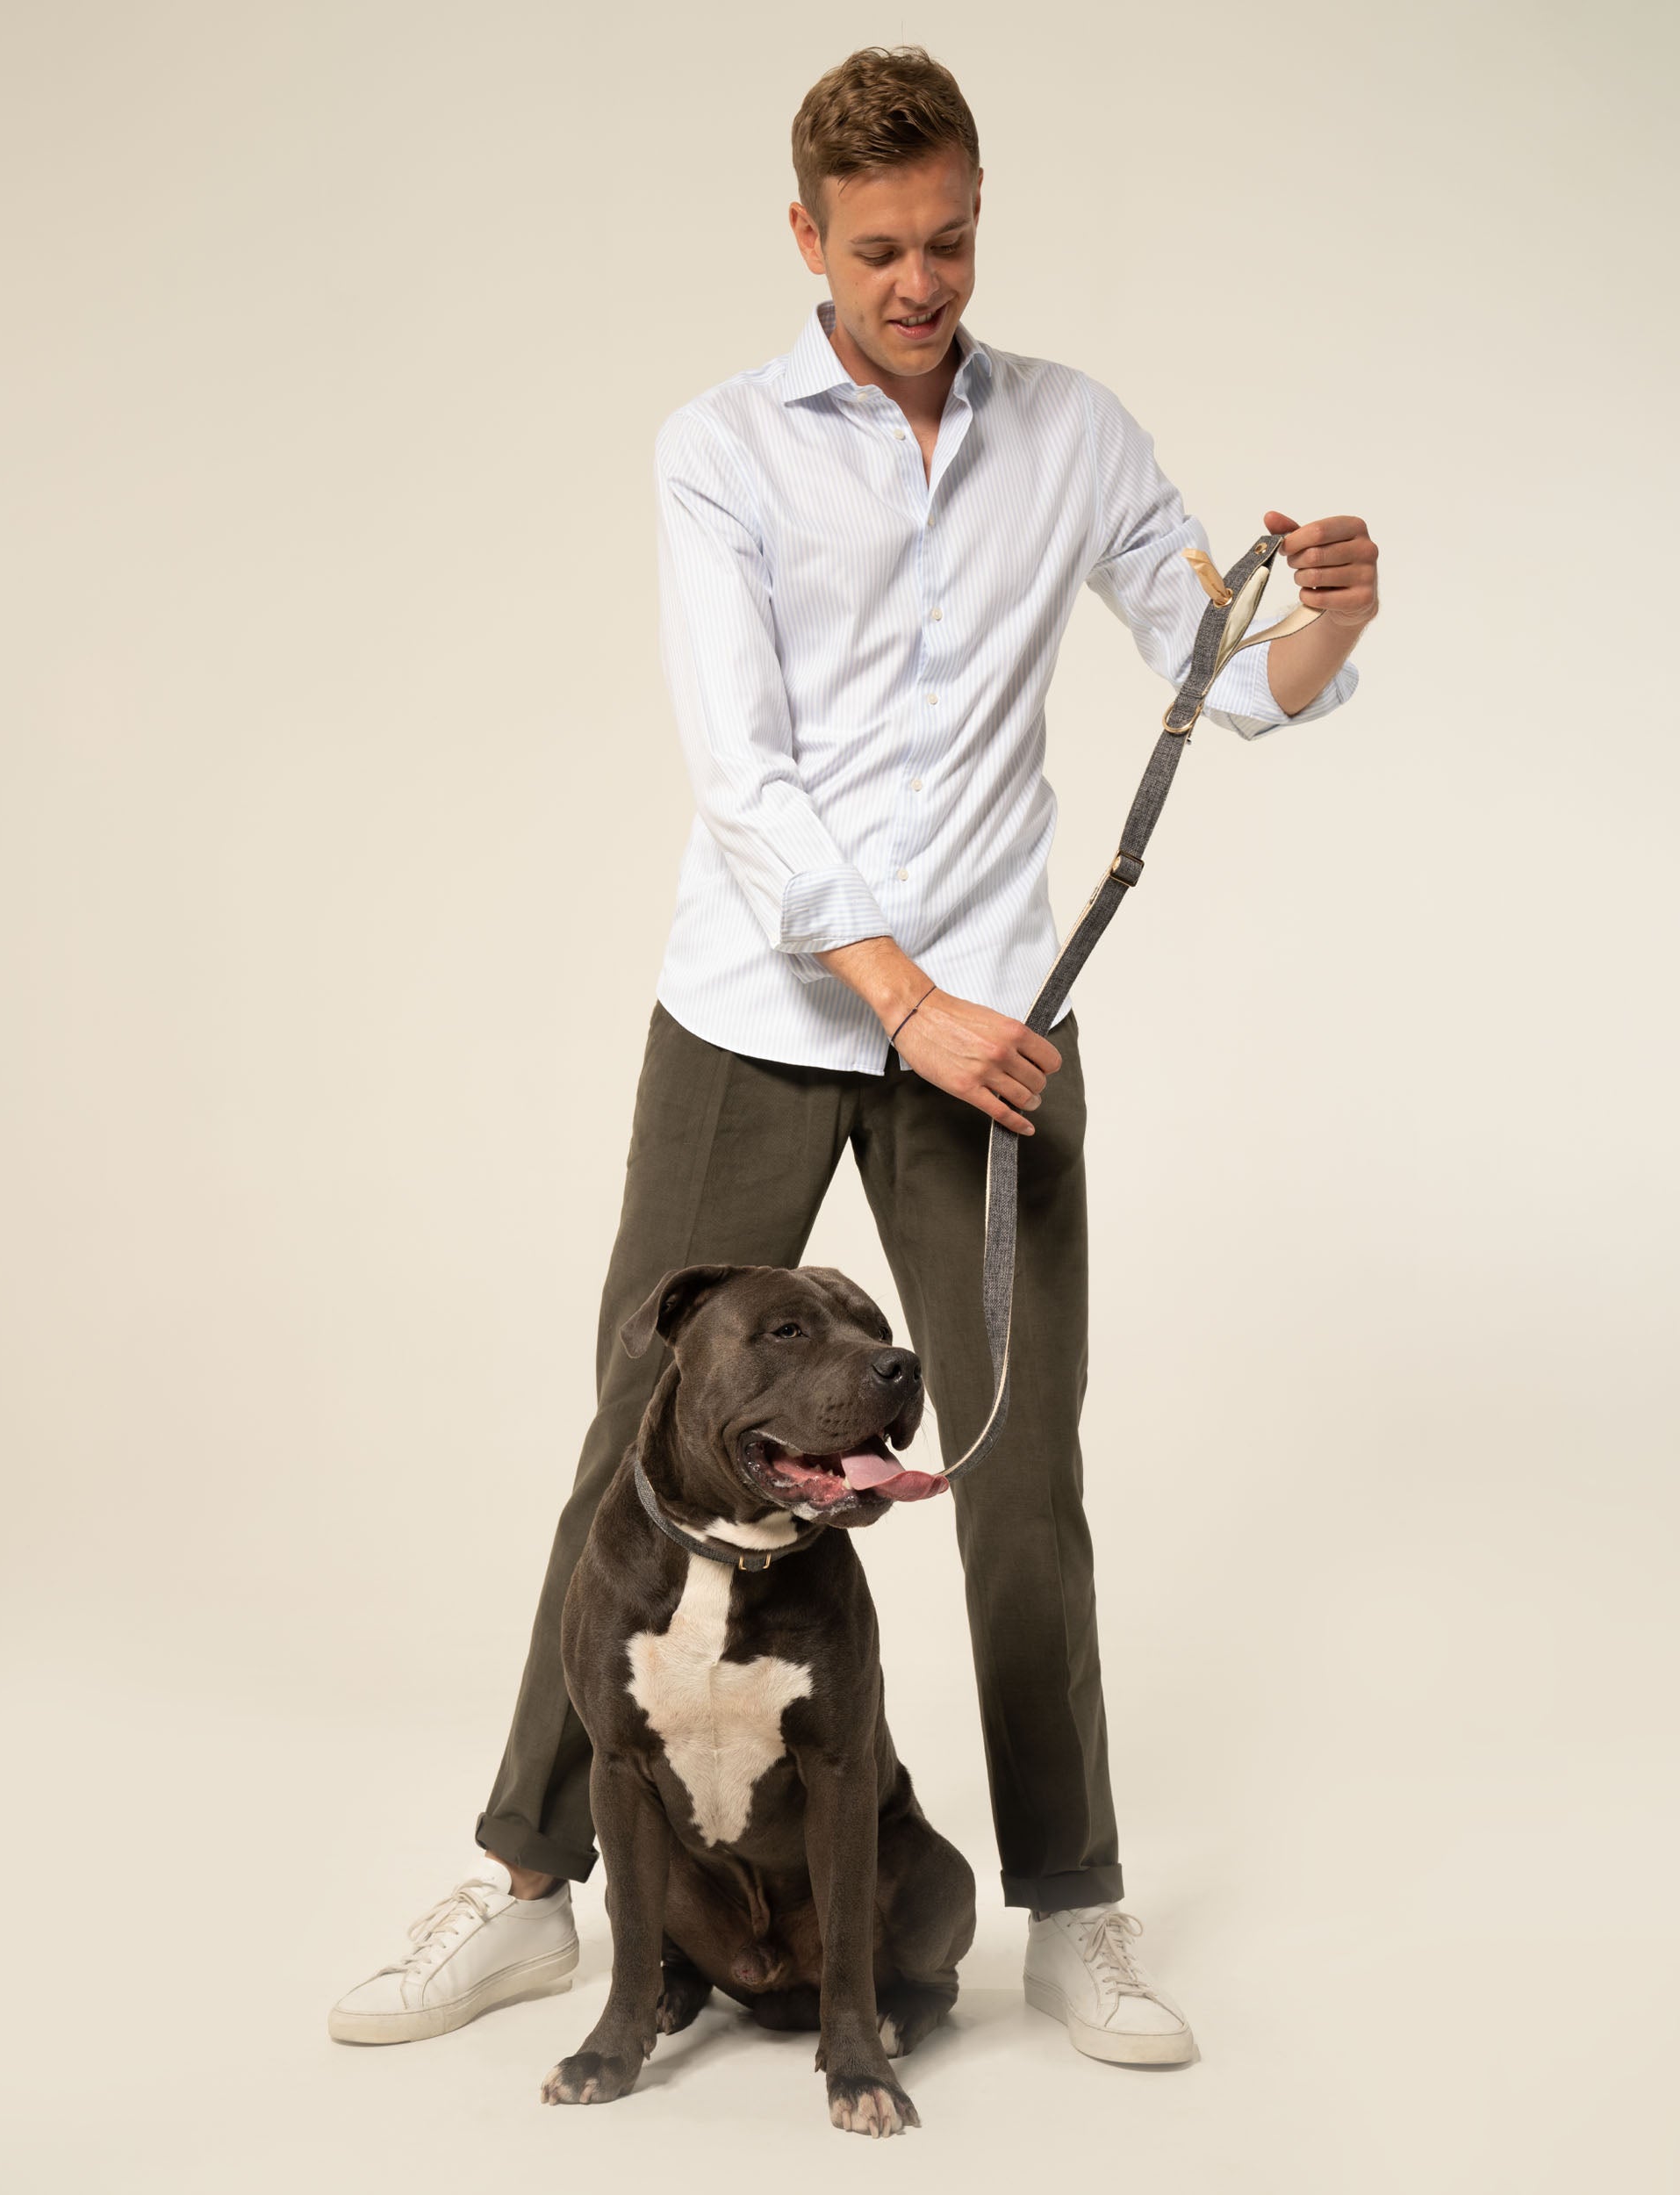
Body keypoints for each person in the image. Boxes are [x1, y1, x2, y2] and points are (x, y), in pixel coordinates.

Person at [329, 44, 1376, 2069]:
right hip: (762, 1006)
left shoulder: (1072, 431)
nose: (921, 281)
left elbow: (1222, 671)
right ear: (804, 238)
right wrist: (905, 1000)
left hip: (996, 1030)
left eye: (951, 240)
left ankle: (1072, 1905)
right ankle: (531, 1887)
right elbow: (747, 774)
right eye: (882, 247)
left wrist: (1324, 618)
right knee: (634, 1445)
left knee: (1018, 1460)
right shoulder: (719, 448)